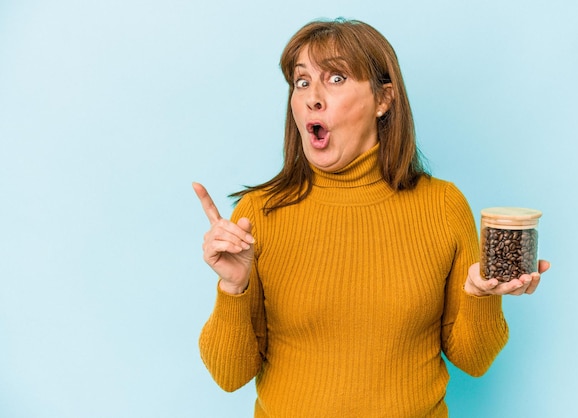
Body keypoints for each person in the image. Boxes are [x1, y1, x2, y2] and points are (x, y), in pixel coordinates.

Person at [192, 18, 550, 418]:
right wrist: (233, 287)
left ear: (384, 100)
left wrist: (481, 296)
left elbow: (474, 360)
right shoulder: (258, 213)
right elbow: (229, 375)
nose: (312, 97)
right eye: (302, 81)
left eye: (337, 78)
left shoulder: (443, 205)